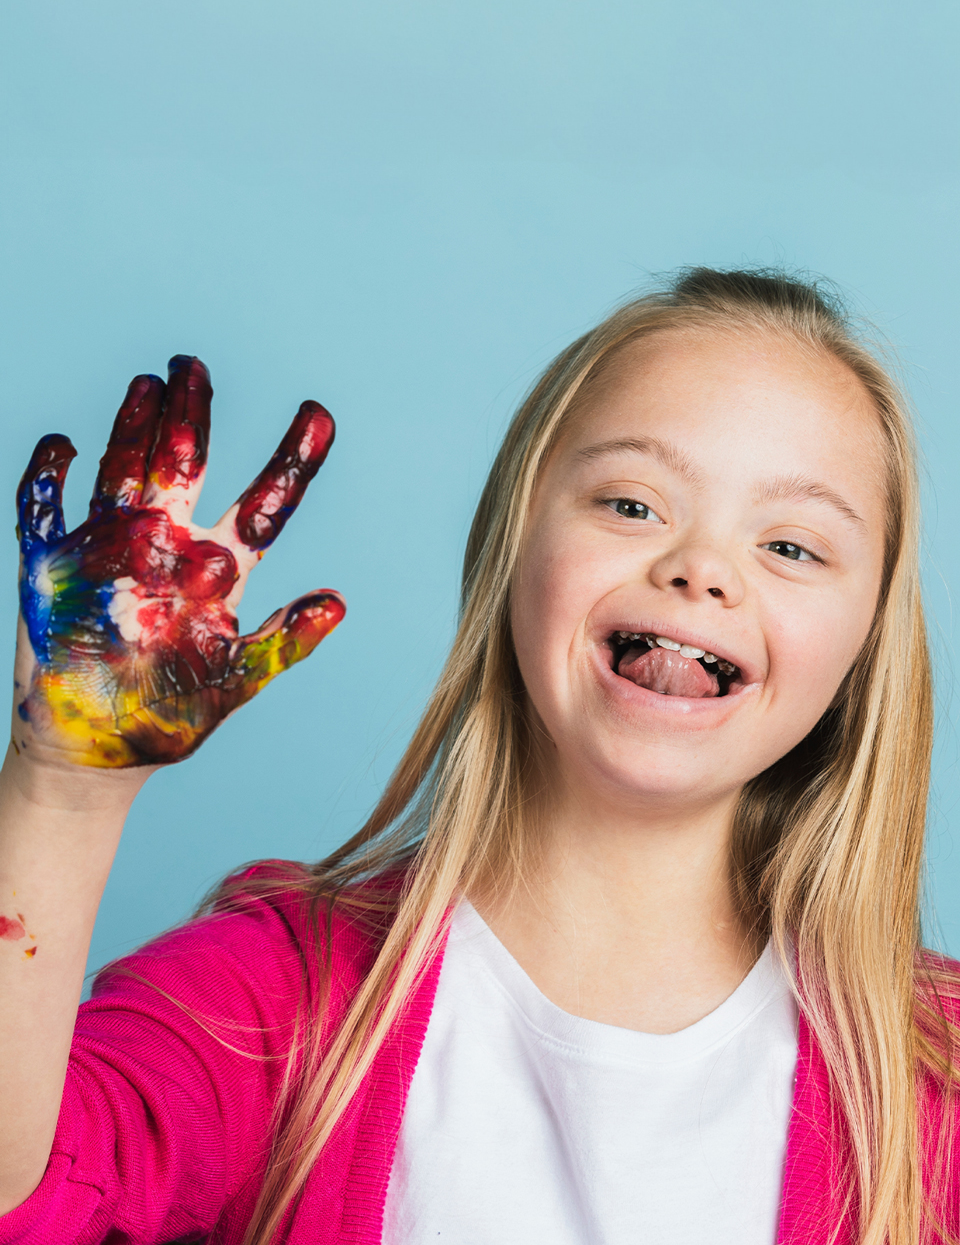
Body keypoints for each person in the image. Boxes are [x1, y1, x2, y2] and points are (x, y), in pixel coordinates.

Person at [0, 268, 957, 1245]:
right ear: (515, 547)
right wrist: (64, 790)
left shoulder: (937, 1082)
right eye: (632, 504)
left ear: (868, 641)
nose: (701, 569)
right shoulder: (281, 997)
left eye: (793, 547)